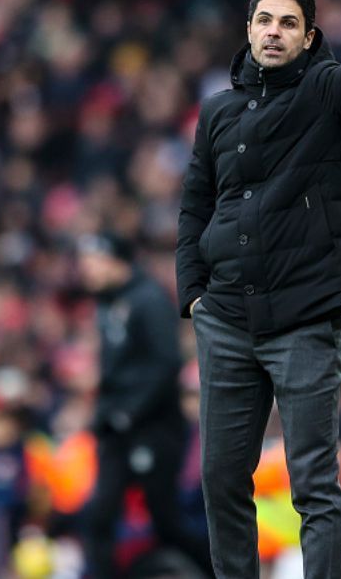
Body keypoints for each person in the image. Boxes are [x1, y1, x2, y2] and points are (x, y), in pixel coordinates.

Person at [175, 0, 341, 579]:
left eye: (288, 23)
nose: (274, 32)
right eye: (265, 20)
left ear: (309, 37)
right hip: (227, 317)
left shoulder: (327, 93)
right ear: (247, 30)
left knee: (313, 481)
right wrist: (193, 294)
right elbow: (194, 203)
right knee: (220, 478)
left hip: (304, 312)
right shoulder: (216, 112)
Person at [78, 234, 214, 578]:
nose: (86, 270)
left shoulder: (148, 300)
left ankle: (220, 572)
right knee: (99, 516)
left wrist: (129, 411)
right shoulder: (109, 302)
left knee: (165, 521)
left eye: (93, 262)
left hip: (152, 428)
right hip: (116, 426)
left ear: (116, 261)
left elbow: (166, 364)